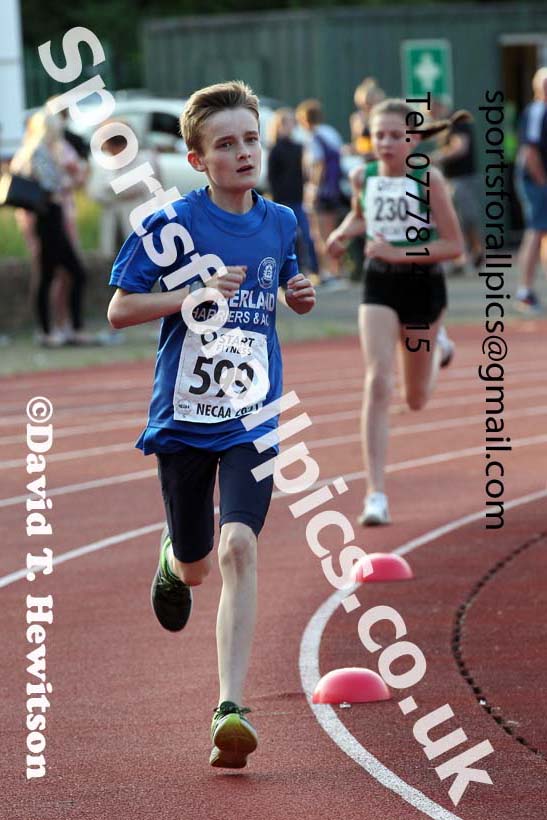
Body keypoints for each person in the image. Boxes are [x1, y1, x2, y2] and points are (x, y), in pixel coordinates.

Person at [107, 81, 316, 768]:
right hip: (186, 417)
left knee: (239, 549)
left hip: (253, 415)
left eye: (250, 139)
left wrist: (299, 292)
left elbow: (288, 282)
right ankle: (172, 557)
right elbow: (119, 310)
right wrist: (189, 294)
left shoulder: (282, 220)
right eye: (225, 144)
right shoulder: (173, 224)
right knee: (198, 566)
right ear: (198, 159)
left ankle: (230, 704)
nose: (243, 152)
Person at [326, 98, 465, 525]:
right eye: (378, 134)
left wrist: (401, 253)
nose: (385, 142)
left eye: (394, 135)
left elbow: (453, 246)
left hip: (423, 288)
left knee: (416, 399)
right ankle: (375, 495)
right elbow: (361, 218)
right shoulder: (363, 175)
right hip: (379, 283)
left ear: (414, 139)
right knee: (377, 382)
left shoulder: (430, 180)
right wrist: (339, 234)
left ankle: (439, 345)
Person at [10, 110, 88, 346]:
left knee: (63, 273)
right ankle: (49, 330)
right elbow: (51, 184)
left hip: (48, 216)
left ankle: (62, 328)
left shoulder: (31, 150)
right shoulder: (39, 151)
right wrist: (69, 177)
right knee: (52, 273)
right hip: (47, 216)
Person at [87, 126, 161, 257]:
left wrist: (112, 187)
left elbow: (137, 185)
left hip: (140, 220)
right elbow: (95, 192)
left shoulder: (146, 158)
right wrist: (118, 189)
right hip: (113, 223)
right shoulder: (102, 163)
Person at [429, 99, 484, 275]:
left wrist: (436, 157)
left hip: (463, 178)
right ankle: (463, 258)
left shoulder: (457, 122)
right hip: (451, 179)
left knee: (466, 218)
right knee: (456, 219)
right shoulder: (443, 126)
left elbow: (460, 148)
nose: (431, 116)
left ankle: (475, 253)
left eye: (431, 112)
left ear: (438, 107)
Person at [295, 98, 346, 287]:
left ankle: (327, 273)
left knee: (320, 234)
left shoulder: (313, 137)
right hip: (334, 190)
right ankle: (338, 270)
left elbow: (318, 165)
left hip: (320, 192)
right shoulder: (330, 132)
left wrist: (312, 190)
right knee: (333, 232)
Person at [267, 107, 319, 277]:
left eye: (291, 122)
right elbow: (272, 178)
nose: (290, 126)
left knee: (305, 234)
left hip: (297, 199)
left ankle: (311, 269)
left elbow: (304, 173)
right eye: (286, 123)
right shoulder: (275, 149)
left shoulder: (298, 147)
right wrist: (275, 202)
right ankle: (285, 271)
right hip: (282, 200)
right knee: (287, 237)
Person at [514, 66, 547, 314]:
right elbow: (530, 151)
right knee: (536, 231)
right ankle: (524, 291)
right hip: (535, 181)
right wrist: (542, 182)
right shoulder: (536, 111)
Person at [349, 77, 385, 159]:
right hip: (363, 157)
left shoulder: (383, 117)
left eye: (372, 96)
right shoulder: (357, 117)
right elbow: (356, 140)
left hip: (379, 156)